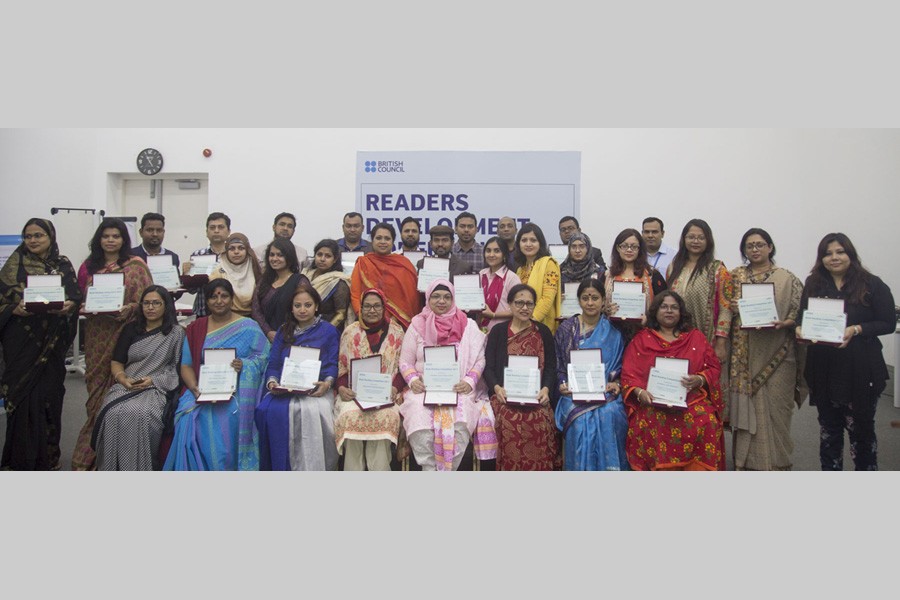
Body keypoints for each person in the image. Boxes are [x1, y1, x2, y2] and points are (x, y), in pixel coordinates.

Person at [797, 233, 895, 471]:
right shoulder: (814, 284)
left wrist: (857, 329)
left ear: (850, 254)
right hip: (824, 368)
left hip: (860, 370)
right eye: (828, 253)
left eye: (840, 252)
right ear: (822, 258)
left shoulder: (872, 284)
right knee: (829, 432)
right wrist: (800, 329)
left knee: (861, 432)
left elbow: (888, 322)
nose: (834, 257)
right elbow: (802, 317)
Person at [72, 217, 154, 471]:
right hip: (96, 333)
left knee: (119, 392)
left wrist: (129, 308)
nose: (110, 240)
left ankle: (116, 455)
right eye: (105, 236)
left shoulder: (135, 265)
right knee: (96, 392)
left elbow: (150, 300)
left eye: (115, 236)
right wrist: (83, 307)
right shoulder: (89, 266)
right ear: (99, 239)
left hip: (125, 333)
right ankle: (94, 455)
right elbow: (77, 297)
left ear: (123, 240)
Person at [164, 279, 270, 471]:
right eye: (213, 296)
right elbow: (186, 365)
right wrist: (194, 388)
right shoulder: (196, 327)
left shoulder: (248, 326)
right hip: (201, 387)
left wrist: (244, 364)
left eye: (224, 296)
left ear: (232, 299)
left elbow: (264, 358)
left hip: (237, 389)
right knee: (188, 418)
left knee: (229, 414)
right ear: (207, 301)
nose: (219, 301)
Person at [0, 218, 81, 470]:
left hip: (52, 345)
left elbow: (75, 296)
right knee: (22, 399)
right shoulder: (13, 265)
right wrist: (14, 308)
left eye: (38, 235)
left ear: (50, 237)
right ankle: (18, 460)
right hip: (21, 343)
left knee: (50, 397)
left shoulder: (63, 264)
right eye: (28, 236)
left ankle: (48, 458)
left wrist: (69, 306)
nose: (33, 241)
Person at [728, 228, 805, 471]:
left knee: (778, 410)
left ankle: (778, 462)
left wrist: (788, 322)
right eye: (749, 246)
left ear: (770, 247)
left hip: (780, 352)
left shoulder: (787, 278)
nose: (755, 249)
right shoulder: (734, 276)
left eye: (760, 244)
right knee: (747, 407)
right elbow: (724, 309)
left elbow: (799, 311)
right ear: (744, 251)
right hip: (743, 354)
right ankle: (746, 461)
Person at [398, 279, 496, 471]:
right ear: (427, 299)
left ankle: (449, 469)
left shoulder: (467, 325)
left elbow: (480, 359)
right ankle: (429, 468)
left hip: (458, 389)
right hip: (423, 389)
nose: (441, 301)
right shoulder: (417, 324)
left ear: (453, 299)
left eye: (446, 297)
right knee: (420, 422)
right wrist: (413, 380)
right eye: (435, 296)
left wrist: (469, 381)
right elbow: (405, 361)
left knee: (460, 422)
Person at [621, 291, 725, 471]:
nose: (669, 311)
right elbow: (629, 375)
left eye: (674, 307)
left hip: (690, 399)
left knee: (706, 419)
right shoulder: (642, 339)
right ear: (655, 311)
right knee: (649, 420)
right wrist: (640, 393)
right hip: (652, 400)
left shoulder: (695, 337)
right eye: (664, 307)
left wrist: (699, 379)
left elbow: (714, 367)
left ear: (681, 312)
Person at [91, 285, 184, 471]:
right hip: (127, 384)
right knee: (112, 412)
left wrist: (153, 381)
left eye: (156, 303)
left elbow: (177, 368)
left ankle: (142, 467)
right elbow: (117, 361)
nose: (150, 307)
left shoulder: (176, 333)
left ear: (166, 306)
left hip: (156, 387)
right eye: (146, 303)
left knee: (141, 413)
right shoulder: (131, 329)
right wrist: (123, 379)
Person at [257, 283, 340, 470]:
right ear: (291, 308)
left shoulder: (328, 331)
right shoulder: (284, 330)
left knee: (313, 413)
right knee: (265, 410)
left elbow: (332, 364)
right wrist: (272, 382)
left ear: (316, 306)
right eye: (297, 306)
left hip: (315, 390)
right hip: (285, 389)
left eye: (308, 305)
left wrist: (326, 384)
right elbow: (274, 363)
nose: (302, 310)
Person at [553, 279, 629, 471]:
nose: (590, 302)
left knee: (610, 413)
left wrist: (616, 383)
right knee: (579, 420)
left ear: (603, 301)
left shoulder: (613, 330)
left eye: (595, 298)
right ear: (578, 301)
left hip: (604, 390)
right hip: (573, 392)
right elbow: (560, 365)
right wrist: (563, 383)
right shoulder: (566, 329)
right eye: (585, 298)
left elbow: (618, 366)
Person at [484, 284, 560, 470]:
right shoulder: (498, 332)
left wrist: (546, 389)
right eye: (519, 303)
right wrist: (497, 388)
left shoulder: (543, 332)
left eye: (529, 303)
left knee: (541, 418)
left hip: (536, 396)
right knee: (509, 418)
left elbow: (551, 366)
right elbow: (488, 367)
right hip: (504, 395)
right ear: (510, 304)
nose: (524, 308)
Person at [334, 288, 406, 470]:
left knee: (385, 418)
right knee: (349, 417)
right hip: (355, 394)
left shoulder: (397, 332)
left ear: (384, 307)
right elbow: (342, 369)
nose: (371, 311)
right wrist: (342, 389)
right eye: (366, 306)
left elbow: (402, 368)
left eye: (376, 306)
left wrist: (395, 389)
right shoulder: (350, 332)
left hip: (387, 394)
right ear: (360, 308)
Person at [350, 222, 421, 330]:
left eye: (387, 238)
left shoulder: (404, 264)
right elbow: (355, 295)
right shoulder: (363, 263)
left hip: (399, 326)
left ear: (392, 242)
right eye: (379, 238)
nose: (383, 242)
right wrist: (365, 318)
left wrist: (394, 321)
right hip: (368, 324)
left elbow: (412, 298)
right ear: (372, 241)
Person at [603, 228, 667, 344]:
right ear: (618, 248)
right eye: (624, 246)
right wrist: (605, 310)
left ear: (640, 250)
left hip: (644, 334)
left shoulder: (652, 275)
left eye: (634, 246)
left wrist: (649, 319)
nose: (629, 250)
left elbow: (663, 305)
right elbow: (598, 305)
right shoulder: (607, 275)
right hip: (612, 334)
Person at [252, 237, 309, 343]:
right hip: (264, 338)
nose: (274, 258)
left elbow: (305, 310)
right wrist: (268, 332)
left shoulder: (299, 281)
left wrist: (286, 333)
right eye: (272, 255)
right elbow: (256, 310)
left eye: (280, 255)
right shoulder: (264, 281)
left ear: (289, 257)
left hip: (293, 338)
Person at [514, 222, 561, 334]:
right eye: (524, 240)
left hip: (541, 326)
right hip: (521, 325)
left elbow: (547, 299)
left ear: (540, 243)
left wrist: (530, 322)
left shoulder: (549, 264)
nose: (528, 244)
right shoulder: (520, 270)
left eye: (533, 240)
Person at [183, 212, 231, 317]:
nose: (216, 231)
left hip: (230, 313)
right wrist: (186, 275)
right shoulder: (197, 255)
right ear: (206, 232)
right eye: (212, 227)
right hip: (202, 313)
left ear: (229, 231)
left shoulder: (234, 255)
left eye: (221, 227)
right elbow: (191, 290)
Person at [301, 239, 352, 332]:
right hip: (301, 326)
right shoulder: (304, 275)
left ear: (335, 260)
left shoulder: (338, 281)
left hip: (326, 331)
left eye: (328, 256)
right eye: (319, 254)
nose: (322, 259)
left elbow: (341, 314)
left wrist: (324, 331)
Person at [209, 232, 262, 317]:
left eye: (241, 248)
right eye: (232, 249)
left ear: (247, 250)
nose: (236, 252)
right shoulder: (217, 271)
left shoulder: (255, 268)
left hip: (253, 318)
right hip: (224, 318)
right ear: (226, 251)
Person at [477, 236, 521, 331]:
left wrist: (494, 315)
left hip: (503, 330)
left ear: (504, 255)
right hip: (480, 330)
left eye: (497, 251)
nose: (491, 255)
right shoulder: (481, 274)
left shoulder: (512, 278)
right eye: (488, 251)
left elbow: (519, 308)